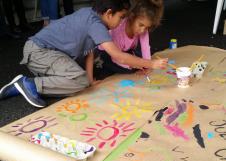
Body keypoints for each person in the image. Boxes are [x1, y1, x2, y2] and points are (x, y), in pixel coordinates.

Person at [0, 0, 167, 108]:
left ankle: (19, 87)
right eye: (121, 17)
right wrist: (151, 64)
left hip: (49, 57)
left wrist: (90, 80)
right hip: (39, 52)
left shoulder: (91, 16)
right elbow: (118, 55)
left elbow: (89, 53)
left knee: (81, 84)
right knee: (78, 81)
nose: (122, 21)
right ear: (109, 13)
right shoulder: (96, 24)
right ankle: (28, 84)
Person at [95, 0, 164, 79]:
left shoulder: (143, 30)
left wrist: (147, 66)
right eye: (140, 25)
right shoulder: (118, 30)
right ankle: (101, 65)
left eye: (146, 27)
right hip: (108, 53)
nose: (142, 30)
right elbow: (117, 58)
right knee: (130, 68)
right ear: (132, 17)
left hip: (123, 51)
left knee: (138, 61)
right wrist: (133, 65)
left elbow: (145, 48)